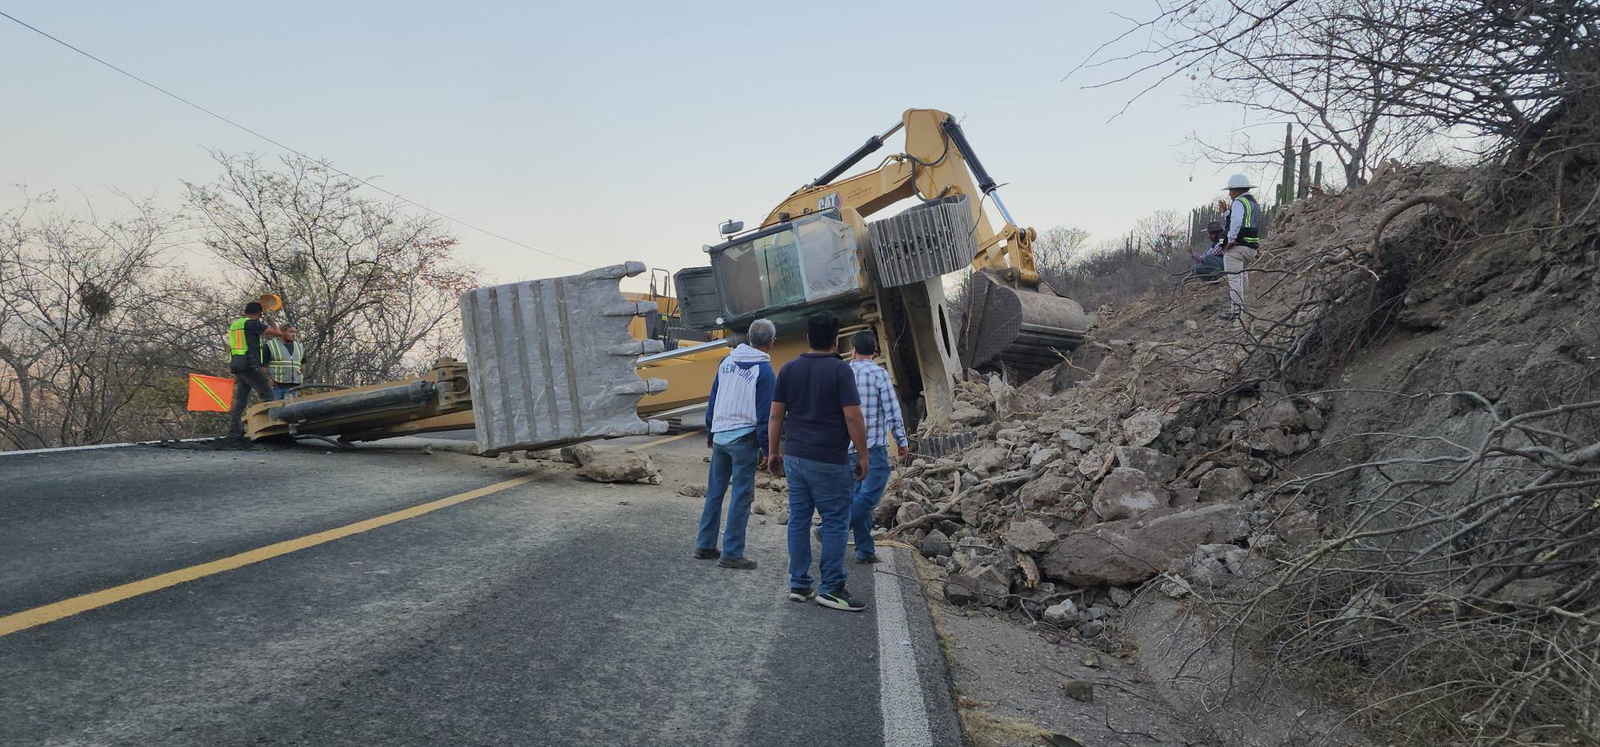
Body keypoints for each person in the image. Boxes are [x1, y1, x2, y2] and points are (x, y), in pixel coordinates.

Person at [766, 311, 869, 612]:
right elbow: (852, 416)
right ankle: (832, 587)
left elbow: (775, 414)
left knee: (798, 519)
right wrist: (862, 455)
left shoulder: (789, 369)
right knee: (836, 520)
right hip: (829, 459)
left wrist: (774, 452)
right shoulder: (841, 371)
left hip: (796, 457)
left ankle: (799, 584)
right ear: (837, 340)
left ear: (809, 337)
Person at [694, 318, 778, 570]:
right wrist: (768, 448)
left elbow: (714, 397)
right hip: (743, 439)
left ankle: (705, 544)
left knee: (715, 493)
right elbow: (765, 414)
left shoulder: (726, 361)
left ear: (749, 338)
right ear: (771, 343)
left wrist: (710, 430)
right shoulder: (764, 371)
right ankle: (731, 552)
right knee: (741, 496)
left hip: (720, 436)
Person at [843, 330, 908, 565]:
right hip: (872, 448)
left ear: (853, 350)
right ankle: (835, 528)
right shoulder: (879, 374)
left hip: (845, 448)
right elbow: (893, 410)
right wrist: (901, 440)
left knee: (856, 496)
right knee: (870, 496)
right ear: (874, 352)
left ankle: (864, 550)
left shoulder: (843, 373)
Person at [226, 301, 285, 438]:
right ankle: (274, 428)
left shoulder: (236, 324)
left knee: (241, 399)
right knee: (268, 395)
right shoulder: (252, 324)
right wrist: (268, 316)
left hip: (238, 364)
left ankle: (234, 430)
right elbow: (277, 332)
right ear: (258, 313)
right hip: (249, 365)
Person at [1219, 174, 1263, 320]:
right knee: (1243, 275)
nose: (1229, 193)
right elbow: (1244, 220)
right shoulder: (1253, 203)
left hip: (1238, 247)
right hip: (1251, 247)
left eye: (1231, 190)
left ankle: (1236, 311)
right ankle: (1243, 310)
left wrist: (1230, 240)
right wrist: (1226, 212)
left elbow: (1237, 221)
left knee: (1234, 278)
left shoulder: (1238, 202)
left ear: (1237, 190)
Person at [263, 324, 304, 400]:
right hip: (277, 386)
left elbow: (303, 364)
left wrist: (300, 378)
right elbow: (263, 365)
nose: (293, 334)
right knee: (275, 409)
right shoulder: (270, 346)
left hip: (294, 387)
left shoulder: (299, 347)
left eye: (294, 332)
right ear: (282, 332)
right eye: (291, 332)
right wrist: (268, 379)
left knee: (292, 410)